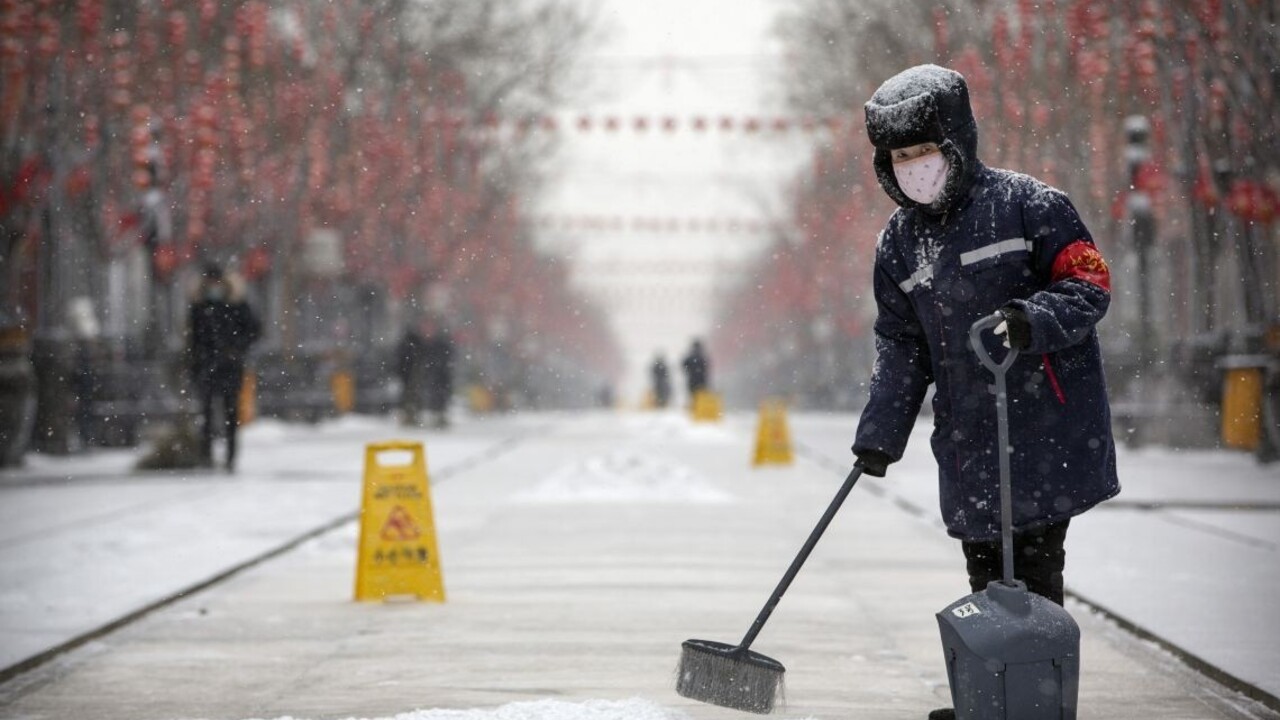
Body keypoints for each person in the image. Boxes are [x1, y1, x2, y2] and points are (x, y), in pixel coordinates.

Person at [849, 65, 1119, 720]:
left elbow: (1089, 284)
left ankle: (1034, 700)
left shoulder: (1031, 206)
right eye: (901, 156)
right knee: (984, 577)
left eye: (925, 152)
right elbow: (902, 346)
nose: (915, 167)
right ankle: (995, 698)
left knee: (1031, 573)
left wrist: (1031, 322)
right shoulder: (899, 243)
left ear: (957, 143)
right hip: (970, 438)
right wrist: (880, 432)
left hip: (1043, 427)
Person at [188, 264, 260, 471]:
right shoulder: (199, 307)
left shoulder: (237, 305)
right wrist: (196, 362)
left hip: (230, 367)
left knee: (230, 413)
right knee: (206, 414)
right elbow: (193, 338)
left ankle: (230, 457)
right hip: (206, 366)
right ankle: (206, 456)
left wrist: (235, 349)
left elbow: (253, 330)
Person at [420, 315, 454, 429]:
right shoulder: (420, 343)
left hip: (439, 377)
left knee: (439, 397)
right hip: (427, 376)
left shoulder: (441, 343)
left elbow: (447, 359)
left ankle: (439, 416)